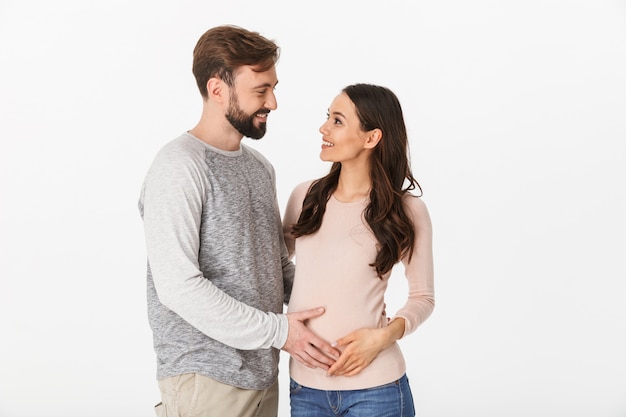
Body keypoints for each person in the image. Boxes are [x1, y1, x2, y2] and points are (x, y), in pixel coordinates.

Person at [138, 25, 339, 417]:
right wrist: (280, 331)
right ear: (217, 90)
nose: (274, 103)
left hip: (264, 375)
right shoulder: (178, 167)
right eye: (260, 91)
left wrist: (345, 305)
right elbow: (178, 287)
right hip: (206, 380)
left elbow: (276, 269)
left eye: (273, 88)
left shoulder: (259, 168)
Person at [283, 83, 435, 417]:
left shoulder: (406, 211)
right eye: (327, 117)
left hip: (377, 390)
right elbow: (272, 267)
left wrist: (382, 337)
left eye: (337, 121)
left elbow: (423, 297)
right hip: (305, 389)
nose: (323, 128)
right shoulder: (304, 197)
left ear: (371, 138)